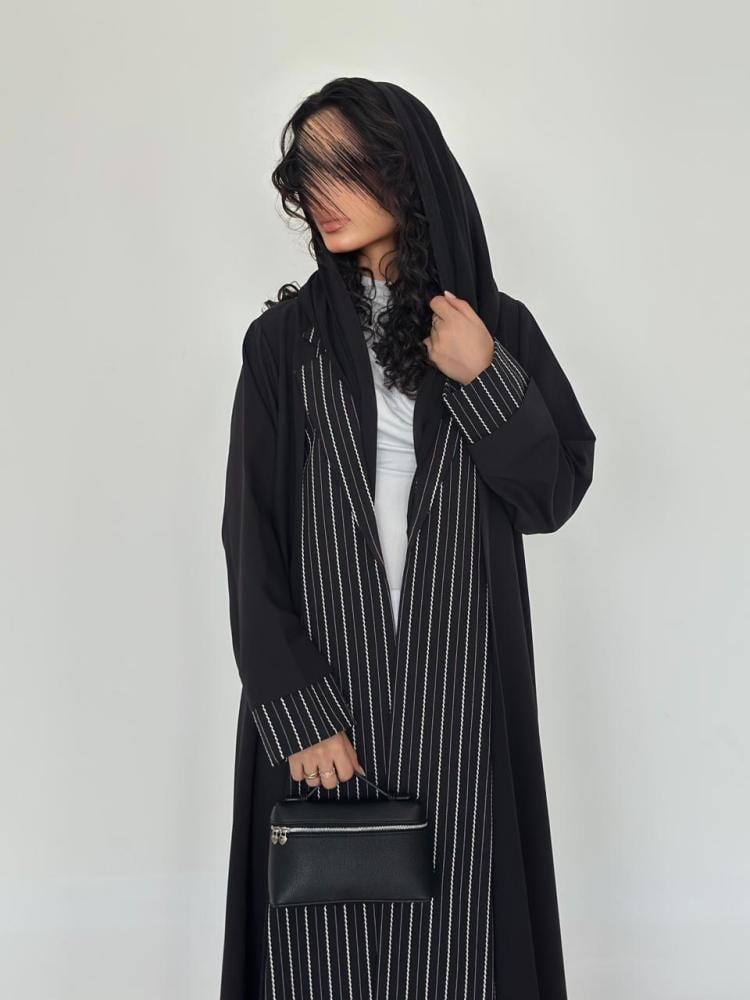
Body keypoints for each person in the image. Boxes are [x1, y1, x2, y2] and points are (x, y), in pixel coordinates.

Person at [219, 77, 596, 1000]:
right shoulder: (283, 345)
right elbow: (249, 537)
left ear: (407, 168)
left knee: (463, 939)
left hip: (461, 691)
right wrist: (295, 707)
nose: (322, 192)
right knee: (321, 945)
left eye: (345, 166)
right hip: (327, 693)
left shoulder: (497, 328)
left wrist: (486, 377)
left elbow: (551, 494)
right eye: (308, 172)